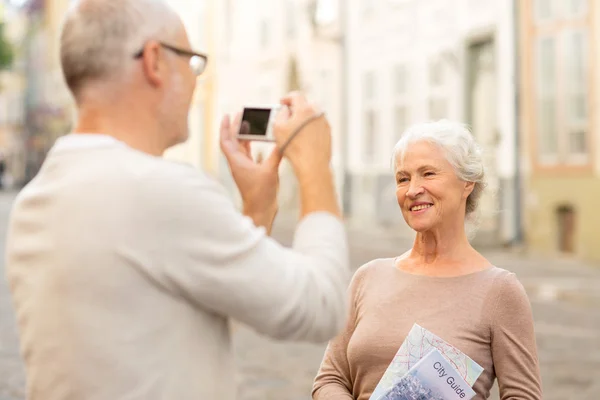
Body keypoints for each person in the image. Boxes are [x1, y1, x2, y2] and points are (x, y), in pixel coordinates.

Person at [5, 1, 350, 399]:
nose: (194, 79)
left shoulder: (35, 201)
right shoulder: (160, 189)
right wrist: (315, 167)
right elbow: (319, 307)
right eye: (191, 60)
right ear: (154, 61)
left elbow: (191, 313)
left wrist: (257, 208)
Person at [312, 120, 543, 400]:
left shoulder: (499, 290)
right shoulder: (368, 277)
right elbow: (330, 378)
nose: (412, 190)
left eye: (428, 174)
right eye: (403, 178)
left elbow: (523, 395)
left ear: (467, 182)